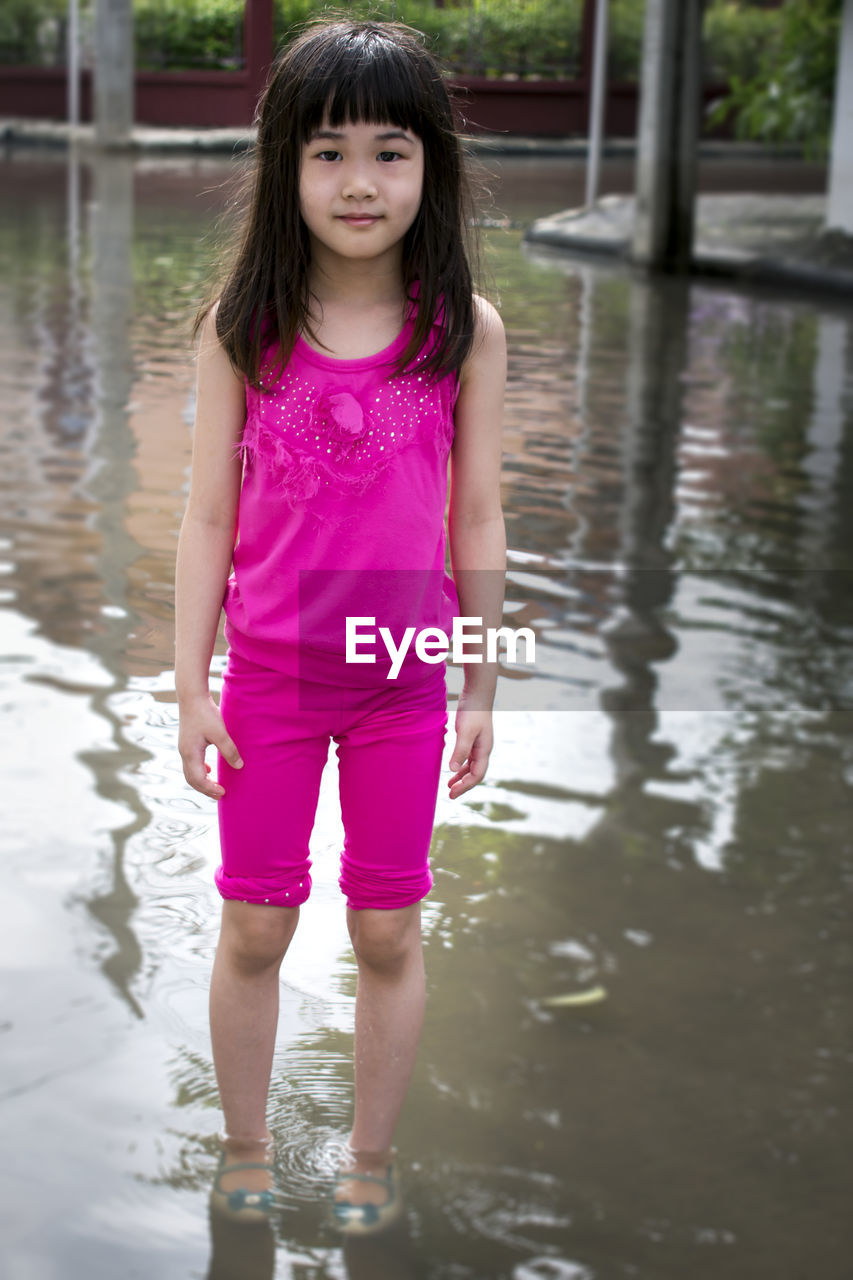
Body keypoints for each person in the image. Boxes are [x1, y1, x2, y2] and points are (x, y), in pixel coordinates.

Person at [174, 17, 506, 1235]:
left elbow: (476, 516)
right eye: (326, 152)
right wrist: (189, 685)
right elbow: (207, 517)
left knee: (385, 920)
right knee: (257, 917)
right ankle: (248, 1144)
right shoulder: (239, 329)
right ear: (284, 168)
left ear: (432, 168)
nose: (359, 181)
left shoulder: (460, 329)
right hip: (267, 671)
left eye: (389, 150)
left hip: (402, 680)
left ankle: (369, 1156)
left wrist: (478, 685)